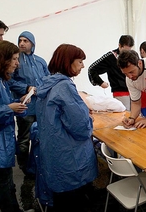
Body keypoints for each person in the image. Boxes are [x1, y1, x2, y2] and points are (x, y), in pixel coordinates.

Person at [36, 44, 98, 211]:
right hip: (69, 157)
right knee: (74, 200)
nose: (83, 66)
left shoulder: (47, 84)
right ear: (68, 62)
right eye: (79, 62)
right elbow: (81, 127)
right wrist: (88, 117)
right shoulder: (65, 87)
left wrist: (82, 110)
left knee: (61, 200)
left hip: (54, 153)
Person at [0, 40, 30, 212]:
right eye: (14, 59)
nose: (17, 63)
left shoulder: (1, 80)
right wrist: (9, 109)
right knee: (3, 183)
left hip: (2, 140)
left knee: (6, 181)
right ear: (2, 59)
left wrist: (16, 104)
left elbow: (1, 105)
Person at [9, 31, 49, 176]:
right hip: (24, 106)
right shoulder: (15, 61)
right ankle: (25, 168)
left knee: (42, 136)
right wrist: (26, 88)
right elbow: (10, 81)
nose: (22, 43)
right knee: (24, 139)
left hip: (41, 106)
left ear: (32, 43)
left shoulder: (40, 61)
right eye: (20, 40)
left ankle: (41, 164)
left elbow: (48, 79)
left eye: (26, 40)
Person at [88, 35, 135, 111]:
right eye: (125, 51)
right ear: (119, 45)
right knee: (124, 115)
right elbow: (92, 69)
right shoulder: (111, 57)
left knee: (136, 115)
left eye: (129, 50)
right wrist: (100, 82)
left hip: (134, 90)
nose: (126, 54)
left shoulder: (132, 55)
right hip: (121, 92)